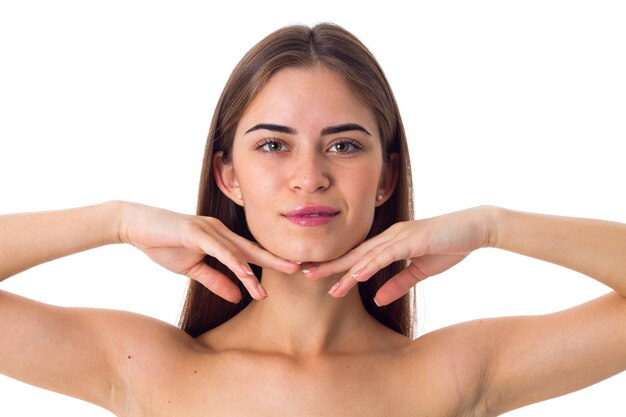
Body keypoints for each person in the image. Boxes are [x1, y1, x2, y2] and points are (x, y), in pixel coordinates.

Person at [1, 23, 625, 417]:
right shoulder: (146, 367)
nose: (309, 176)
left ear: (386, 177)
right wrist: (116, 221)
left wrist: (492, 226)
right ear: (228, 176)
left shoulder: (452, 371)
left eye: (345, 145)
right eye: (273, 145)